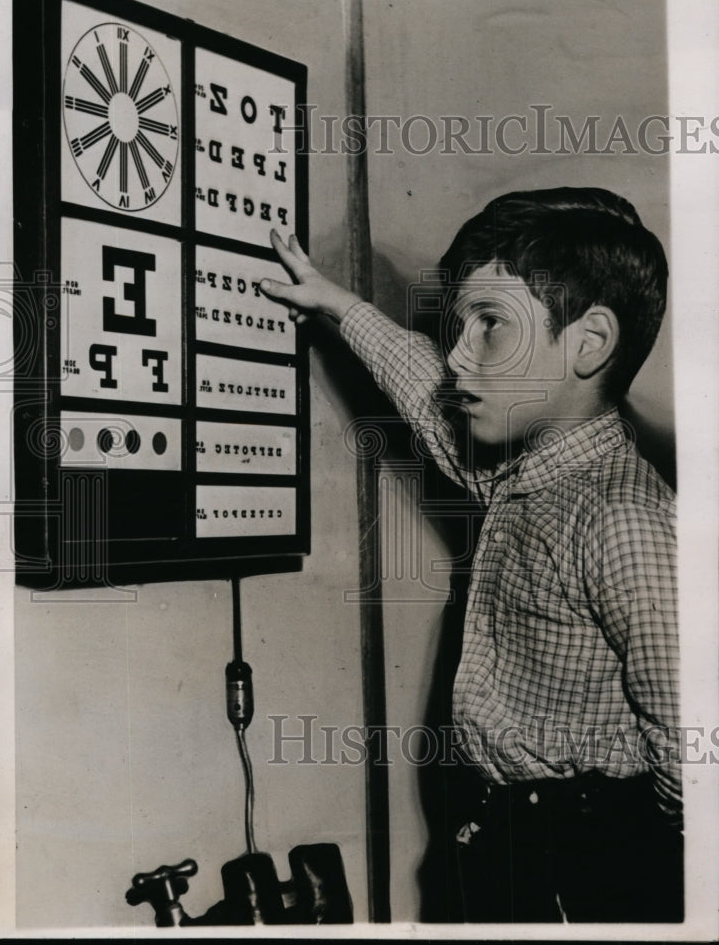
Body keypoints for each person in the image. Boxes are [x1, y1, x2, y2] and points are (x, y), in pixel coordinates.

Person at [259, 187, 683, 923]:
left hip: (586, 866)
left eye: (489, 325)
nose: (459, 353)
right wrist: (336, 304)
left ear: (589, 343)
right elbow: (425, 387)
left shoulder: (622, 518)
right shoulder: (518, 473)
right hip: (503, 843)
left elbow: (690, 751)